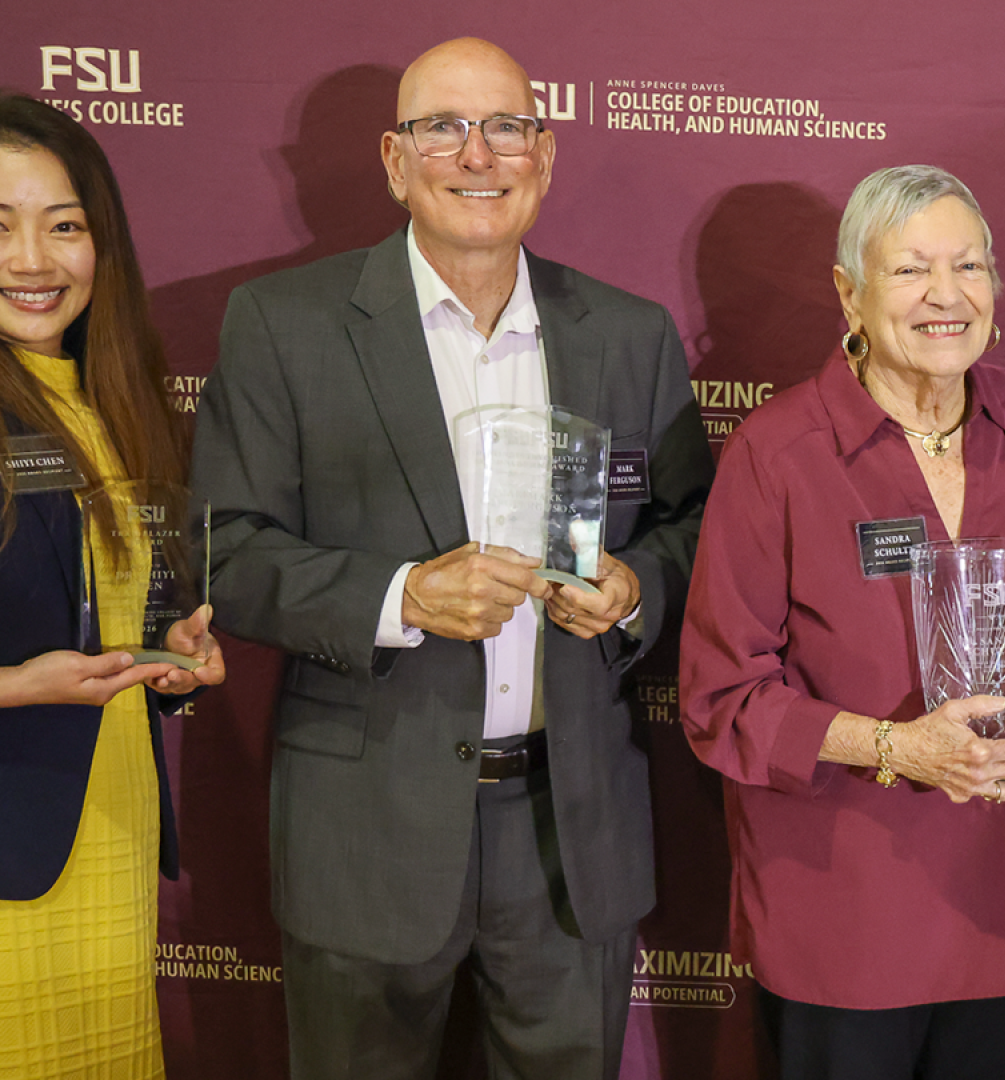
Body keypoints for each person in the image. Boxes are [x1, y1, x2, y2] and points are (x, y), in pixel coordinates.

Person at [190, 38, 710, 1079]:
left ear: (544, 156)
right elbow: (227, 555)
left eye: (507, 127)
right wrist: (401, 598)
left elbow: (696, 530)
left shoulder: (629, 334)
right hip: (366, 833)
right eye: (443, 128)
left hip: (572, 834)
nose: (479, 155)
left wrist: (634, 587)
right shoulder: (283, 325)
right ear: (394, 160)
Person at [678, 164, 1005, 1079]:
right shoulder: (778, 453)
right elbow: (720, 698)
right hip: (844, 916)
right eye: (910, 271)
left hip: (997, 897)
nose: (946, 295)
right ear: (848, 294)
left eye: (970, 266)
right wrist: (896, 747)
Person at [0, 93, 225, 1077]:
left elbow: (125, 611)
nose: (33, 262)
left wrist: (171, 659)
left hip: (110, 827)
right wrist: (19, 686)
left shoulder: (117, 407)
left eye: (64, 227)